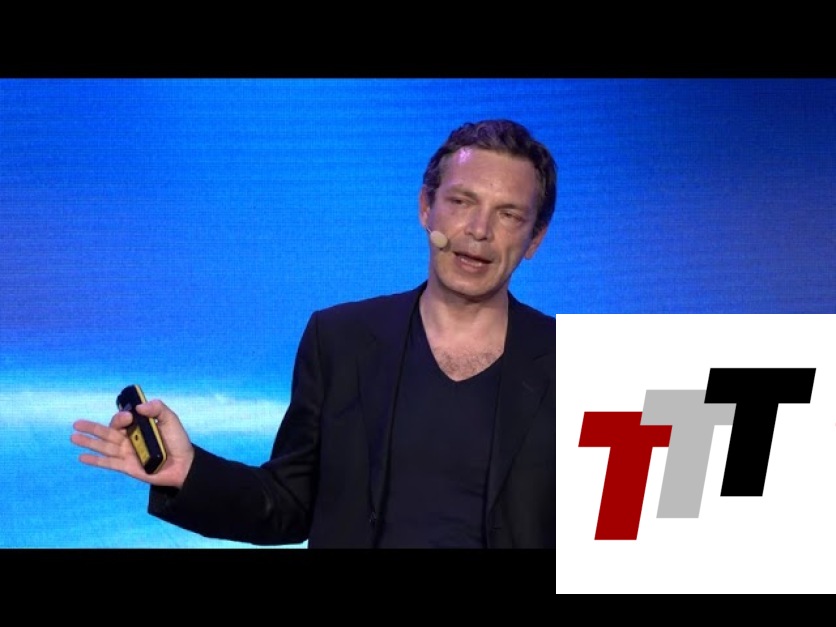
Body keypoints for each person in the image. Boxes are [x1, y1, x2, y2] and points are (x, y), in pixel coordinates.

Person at [71, 118, 557, 549]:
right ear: (426, 208)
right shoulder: (340, 340)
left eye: (509, 214)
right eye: (461, 201)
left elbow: (599, 550)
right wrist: (190, 470)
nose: (479, 230)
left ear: (535, 237)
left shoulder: (580, 367)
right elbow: (289, 503)